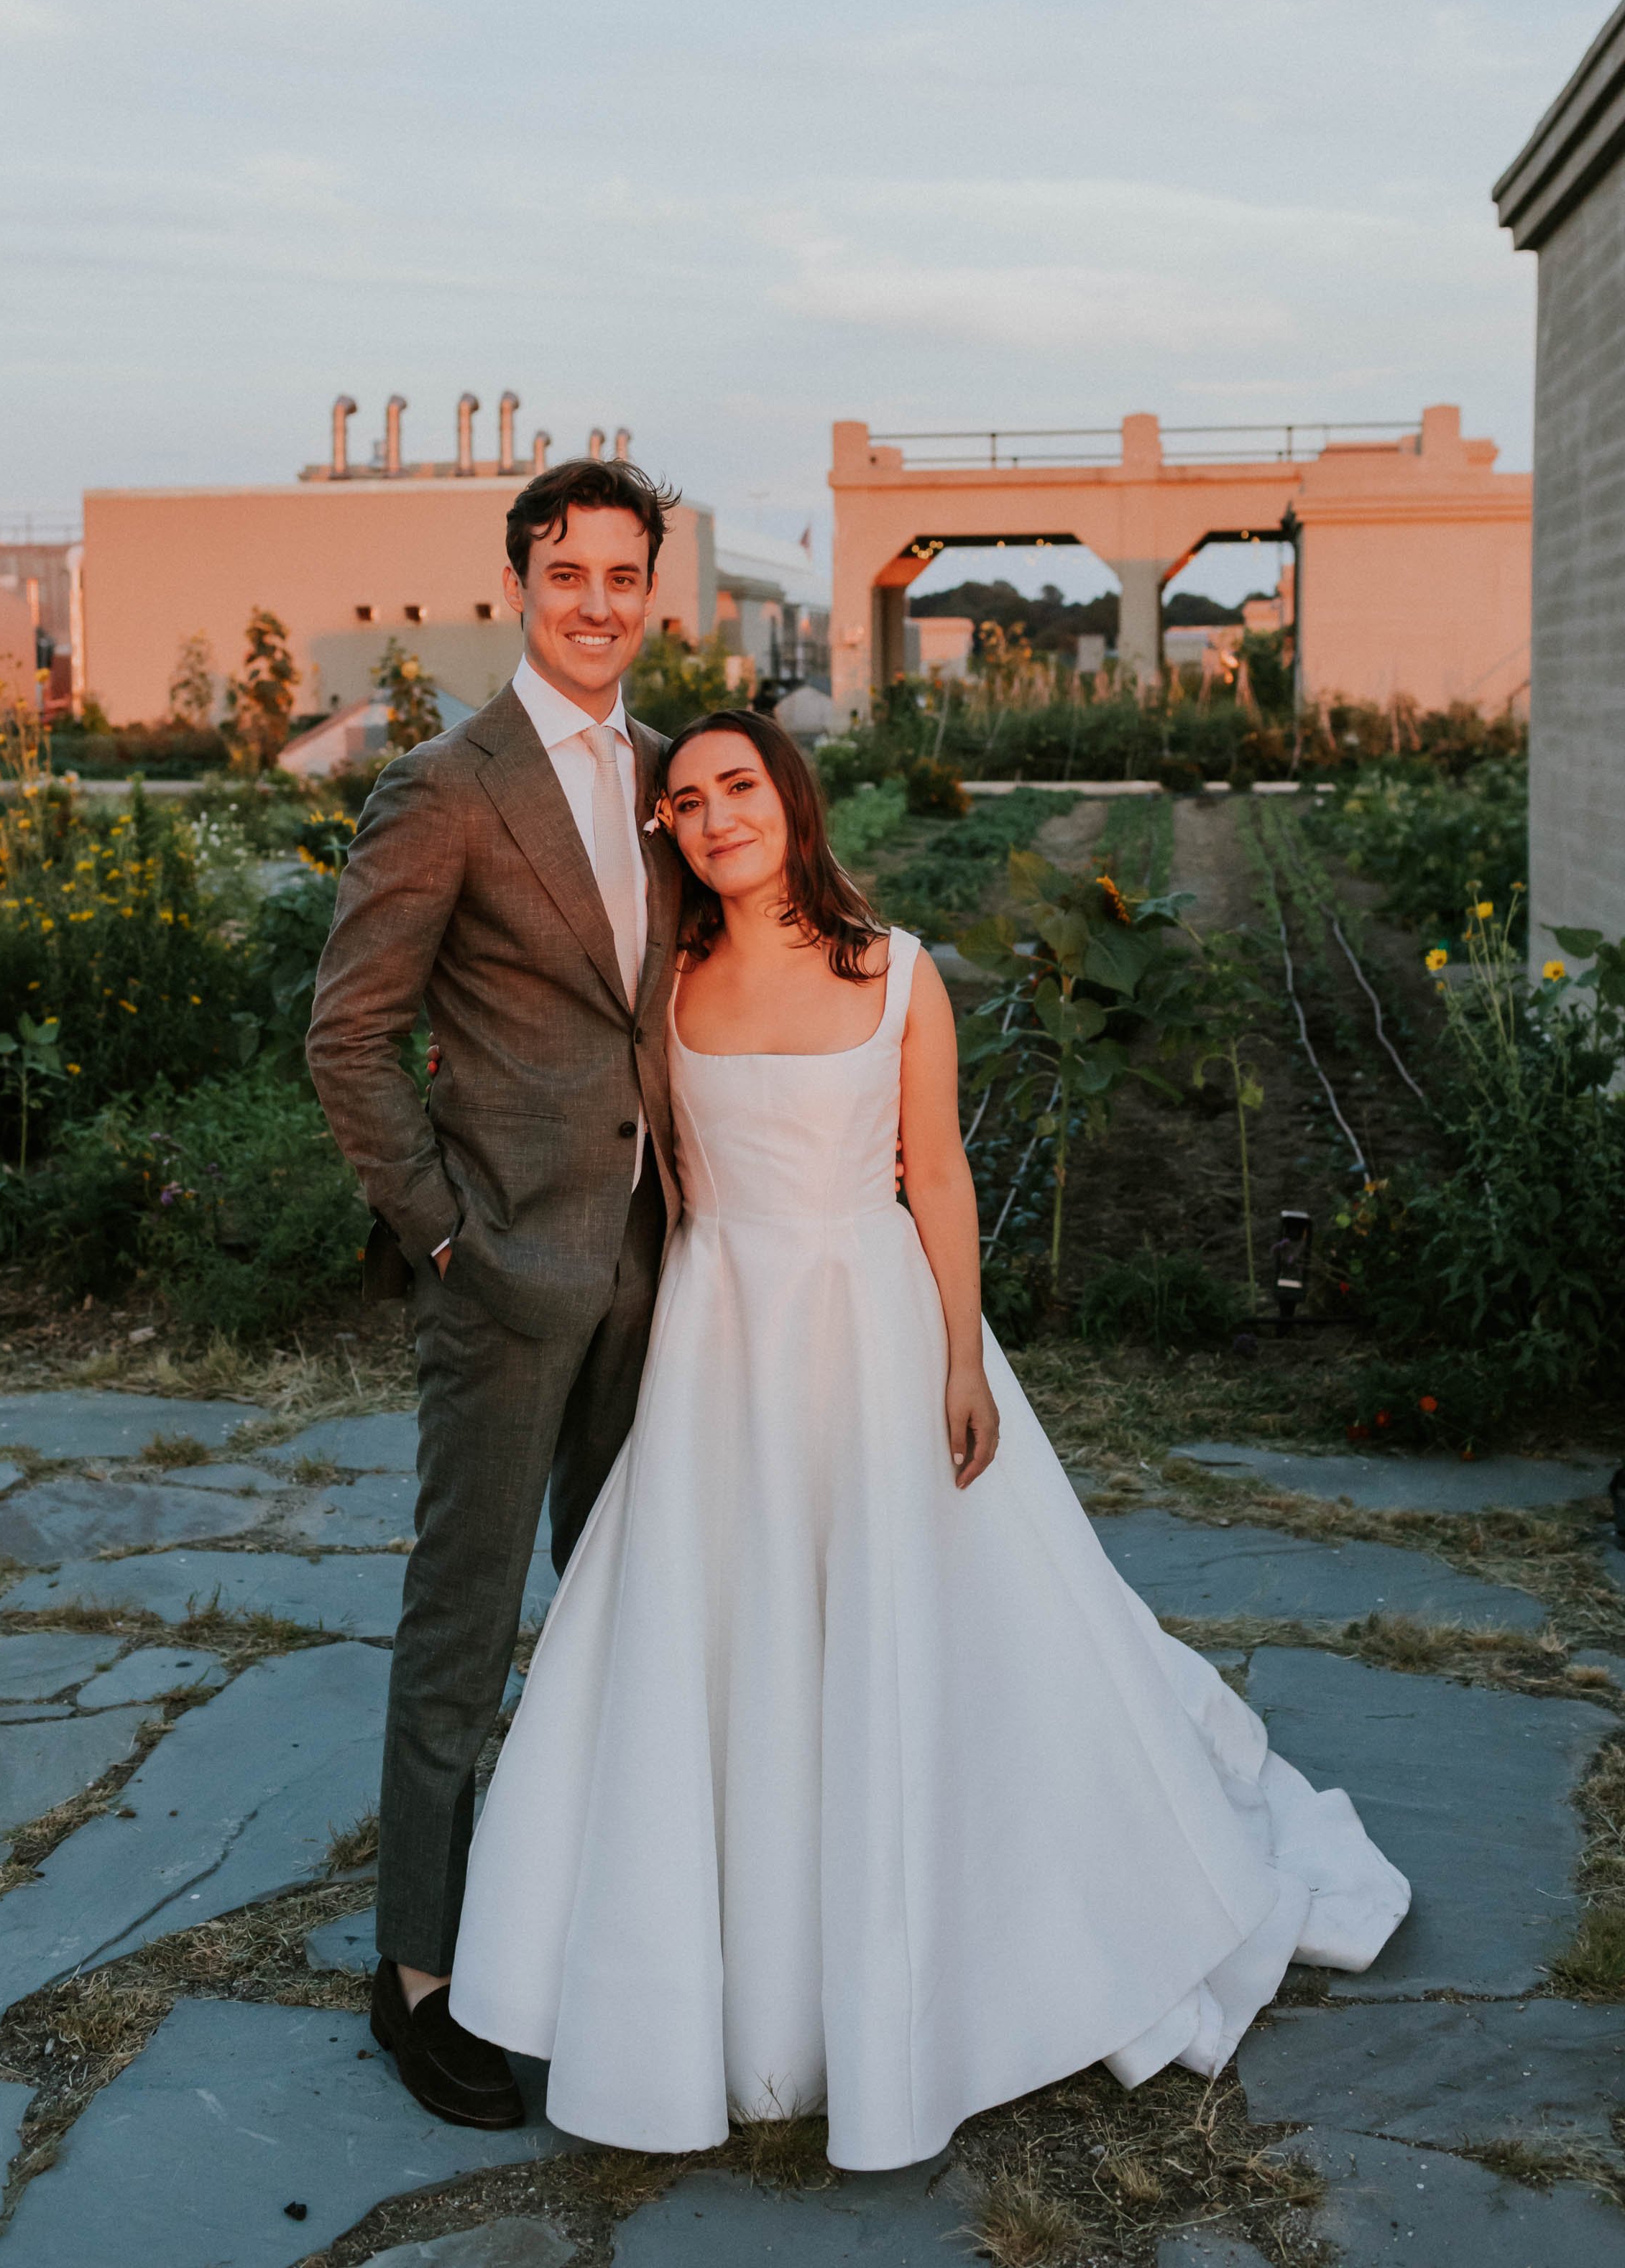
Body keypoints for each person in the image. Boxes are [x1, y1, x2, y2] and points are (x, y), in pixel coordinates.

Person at [446, 711, 1410, 2170]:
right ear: (669, 834)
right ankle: (728, 1991)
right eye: (687, 803)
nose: (717, 819)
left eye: (741, 788)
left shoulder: (895, 973)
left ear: (794, 799)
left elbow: (940, 1173)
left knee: (908, 1632)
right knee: (732, 1645)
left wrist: (960, 1357)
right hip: (722, 1350)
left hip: (878, 1326)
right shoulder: (669, 982)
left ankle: (953, 1957)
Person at [306, 455, 683, 2130]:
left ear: (653, 593)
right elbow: (348, 1034)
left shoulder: (679, 779)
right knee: (463, 1634)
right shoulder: (449, 785)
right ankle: (419, 1982)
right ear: (518, 583)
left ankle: (579, 1939)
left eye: (624, 574)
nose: (596, 600)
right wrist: (442, 1234)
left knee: (623, 1624)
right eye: (566, 571)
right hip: (503, 1270)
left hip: (662, 1277)